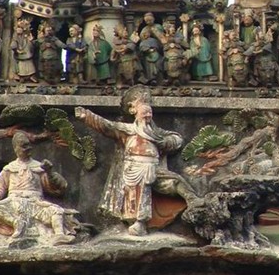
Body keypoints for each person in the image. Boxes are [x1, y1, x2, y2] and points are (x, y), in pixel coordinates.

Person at [74, 90, 200, 236]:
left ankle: (193, 200)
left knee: (174, 181)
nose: (148, 115)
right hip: (135, 167)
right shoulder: (128, 130)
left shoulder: (156, 133)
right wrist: (87, 116)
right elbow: (107, 126)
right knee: (139, 193)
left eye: (149, 113)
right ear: (135, 112)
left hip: (153, 166)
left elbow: (177, 139)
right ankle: (139, 222)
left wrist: (164, 142)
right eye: (144, 112)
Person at [0, 132, 78, 245]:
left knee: (57, 211)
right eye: (24, 146)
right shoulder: (9, 168)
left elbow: (59, 186)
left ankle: (59, 235)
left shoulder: (38, 167)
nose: (28, 148)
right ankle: (16, 223)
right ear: (15, 148)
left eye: (28, 145)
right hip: (13, 202)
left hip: (35, 202)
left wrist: (49, 172)